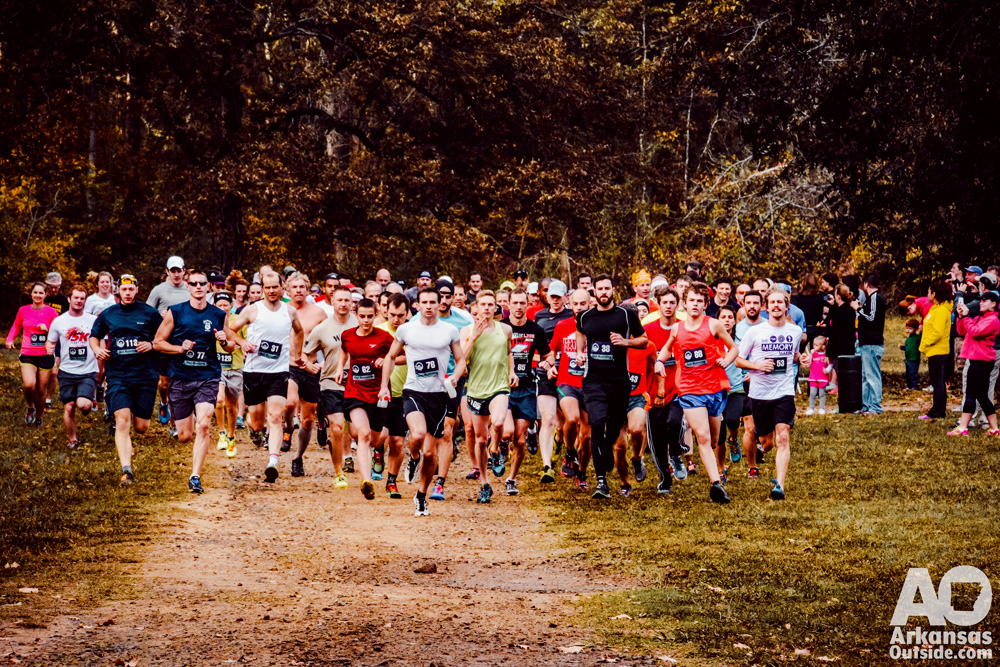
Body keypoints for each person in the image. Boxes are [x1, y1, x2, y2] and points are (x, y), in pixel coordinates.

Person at [378, 287, 468, 517]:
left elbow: (460, 361)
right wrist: (384, 387)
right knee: (417, 435)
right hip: (413, 391)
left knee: (432, 454)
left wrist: (455, 377)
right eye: (424, 302)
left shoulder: (449, 330)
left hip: (439, 395)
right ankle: (413, 458)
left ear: (440, 304)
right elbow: (389, 357)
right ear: (416, 305)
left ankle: (421, 495)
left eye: (433, 302)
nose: (428, 306)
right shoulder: (407, 330)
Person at [655, 282, 736, 504]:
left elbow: (733, 349)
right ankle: (716, 484)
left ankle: (712, 467)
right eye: (691, 300)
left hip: (714, 388)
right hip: (689, 390)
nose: (695, 304)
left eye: (699, 301)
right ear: (685, 302)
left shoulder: (714, 325)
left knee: (713, 440)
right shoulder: (676, 329)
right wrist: (659, 362)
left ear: (705, 304)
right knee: (702, 436)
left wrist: (725, 361)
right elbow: (667, 348)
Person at [153, 270, 232, 493]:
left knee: (205, 424)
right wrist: (180, 348)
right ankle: (178, 414)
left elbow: (231, 345)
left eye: (202, 283)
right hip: (181, 378)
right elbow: (158, 342)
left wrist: (224, 342)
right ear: (187, 287)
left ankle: (195, 476)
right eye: (194, 283)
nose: (198, 287)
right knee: (184, 436)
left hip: (208, 376)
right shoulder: (175, 312)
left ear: (209, 287)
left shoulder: (218, 314)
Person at [575, 275, 649, 499]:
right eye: (600, 289)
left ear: (613, 290)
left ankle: (606, 447)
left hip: (619, 381)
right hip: (594, 380)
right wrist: (580, 352)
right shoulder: (585, 316)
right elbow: (580, 331)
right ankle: (601, 482)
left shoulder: (626, 314)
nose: (604, 292)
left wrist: (626, 342)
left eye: (607, 288)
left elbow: (643, 339)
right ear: (594, 292)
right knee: (596, 423)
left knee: (615, 426)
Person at [229, 271, 305, 483]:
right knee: (257, 421)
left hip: (278, 372)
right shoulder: (253, 310)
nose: (272, 291)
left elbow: (299, 332)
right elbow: (230, 331)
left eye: (275, 287)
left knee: (275, 417)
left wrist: (297, 355)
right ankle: (255, 431)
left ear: (283, 288)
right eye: (267, 287)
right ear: (262, 289)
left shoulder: (289, 312)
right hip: (254, 372)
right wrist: (242, 343)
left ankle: (273, 462)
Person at [89, 274, 163, 485]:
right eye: (124, 289)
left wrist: (151, 344)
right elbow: (94, 335)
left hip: (145, 376)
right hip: (118, 375)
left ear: (137, 290)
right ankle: (127, 471)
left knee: (141, 427)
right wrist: (96, 350)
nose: (128, 293)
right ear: (118, 291)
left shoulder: (149, 313)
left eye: (131, 289)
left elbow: (164, 336)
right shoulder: (109, 314)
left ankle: (130, 441)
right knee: (122, 420)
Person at [736, 286, 807, 501]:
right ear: (766, 307)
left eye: (780, 302)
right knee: (767, 444)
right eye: (772, 302)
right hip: (759, 394)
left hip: (784, 391)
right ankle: (759, 447)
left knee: (783, 436)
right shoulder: (755, 332)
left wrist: (801, 359)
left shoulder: (794, 332)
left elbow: (793, 356)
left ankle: (780, 486)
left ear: (787, 307)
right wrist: (757, 366)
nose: (776, 306)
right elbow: (738, 359)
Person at [336, 298, 394, 499]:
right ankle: (366, 480)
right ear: (356, 314)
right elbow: (344, 351)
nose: (366, 321)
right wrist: (339, 369)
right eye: (362, 316)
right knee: (364, 434)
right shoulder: (347, 335)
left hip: (378, 393)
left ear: (376, 314)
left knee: (377, 438)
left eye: (370, 316)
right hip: (355, 392)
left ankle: (377, 452)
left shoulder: (385, 337)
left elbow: (401, 356)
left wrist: (386, 359)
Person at [461, 291, 516, 502]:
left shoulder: (506, 329)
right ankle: (485, 483)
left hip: (499, 387)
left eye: (490, 304)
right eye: (482, 304)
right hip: (476, 390)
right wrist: (473, 337)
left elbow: (508, 351)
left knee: (500, 420)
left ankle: (497, 449)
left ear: (495, 308)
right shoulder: (467, 330)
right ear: (476, 308)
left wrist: (512, 372)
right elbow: (461, 360)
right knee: (480, 438)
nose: (486, 308)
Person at [302, 284, 358, 487]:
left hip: (358, 383)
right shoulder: (322, 328)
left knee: (356, 431)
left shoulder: (361, 323)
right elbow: (306, 354)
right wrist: (310, 366)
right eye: (339, 300)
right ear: (332, 301)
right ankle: (339, 472)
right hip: (330, 383)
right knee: (336, 427)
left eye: (347, 300)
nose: (343, 304)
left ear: (352, 303)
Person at [503, 287, 555, 488]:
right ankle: (499, 448)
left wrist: (548, 363)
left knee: (521, 440)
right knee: (507, 432)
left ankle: (511, 479)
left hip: (526, 390)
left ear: (527, 304)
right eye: (514, 302)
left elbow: (548, 354)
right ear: (508, 304)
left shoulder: (536, 330)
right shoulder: (501, 327)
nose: (518, 307)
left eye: (521, 303)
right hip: (503, 389)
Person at [282, 273, 329, 476]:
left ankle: (298, 458)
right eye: (295, 287)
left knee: (308, 420)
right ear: (288, 290)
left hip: (310, 366)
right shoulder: (281, 311)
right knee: (290, 403)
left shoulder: (318, 313)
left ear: (308, 289)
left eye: (302, 287)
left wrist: (327, 363)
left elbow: (330, 340)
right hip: (287, 365)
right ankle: (287, 426)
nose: (299, 290)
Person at [432, 278, 473, 500]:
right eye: (442, 296)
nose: (445, 301)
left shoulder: (464, 320)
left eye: (449, 296)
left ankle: (440, 481)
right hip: (427, 382)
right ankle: (425, 459)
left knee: (448, 428)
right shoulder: (420, 319)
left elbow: (470, 349)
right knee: (430, 433)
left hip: (454, 380)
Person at [46, 285, 98, 449]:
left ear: (85, 300)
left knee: (82, 404)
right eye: (76, 297)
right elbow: (51, 341)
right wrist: (49, 348)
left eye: (82, 298)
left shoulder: (93, 320)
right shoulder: (59, 321)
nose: (79, 301)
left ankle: (87, 403)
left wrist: (100, 351)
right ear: (69, 299)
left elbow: (100, 340)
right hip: (67, 370)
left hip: (88, 370)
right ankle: (73, 440)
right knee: (69, 406)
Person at [550, 289, 592, 487]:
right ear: (570, 304)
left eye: (583, 304)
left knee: (588, 436)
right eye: (576, 304)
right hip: (567, 382)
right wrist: (549, 364)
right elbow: (552, 351)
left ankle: (582, 473)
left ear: (590, 304)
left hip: (591, 384)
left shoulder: (597, 326)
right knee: (572, 418)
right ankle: (569, 452)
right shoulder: (562, 325)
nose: (579, 307)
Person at [645, 286, 684, 494]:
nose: (668, 307)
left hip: (679, 389)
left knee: (674, 421)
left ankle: (676, 453)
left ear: (677, 305)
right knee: (657, 438)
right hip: (654, 392)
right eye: (664, 303)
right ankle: (664, 479)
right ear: (657, 305)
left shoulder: (684, 328)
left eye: (672, 303)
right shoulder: (649, 330)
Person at [613, 317, 657, 498]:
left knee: (637, 429)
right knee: (619, 447)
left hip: (636, 396)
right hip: (614, 398)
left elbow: (657, 364)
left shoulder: (647, 345)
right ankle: (625, 483)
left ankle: (637, 457)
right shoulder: (610, 342)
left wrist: (659, 388)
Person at [147, 256, 190, 433]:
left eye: (179, 270)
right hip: (164, 341)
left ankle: (174, 423)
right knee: (164, 384)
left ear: (184, 271)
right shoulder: (158, 290)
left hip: (184, 342)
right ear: (167, 272)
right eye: (173, 271)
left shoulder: (190, 289)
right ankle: (163, 402)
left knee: (178, 384)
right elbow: (147, 314)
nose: (176, 274)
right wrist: (160, 315)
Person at [375, 293, 412, 498]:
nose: (396, 320)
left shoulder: (413, 332)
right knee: (379, 437)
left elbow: (413, 356)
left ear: (407, 313)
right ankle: (378, 451)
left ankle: (391, 481)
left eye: (400, 315)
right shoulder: (377, 331)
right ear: (385, 311)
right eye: (392, 315)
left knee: (397, 442)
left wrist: (389, 359)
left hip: (403, 393)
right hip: (379, 393)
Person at [948, 291, 1000, 436]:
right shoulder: (979, 318)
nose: (981, 303)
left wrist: (965, 316)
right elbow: (962, 330)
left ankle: (963, 427)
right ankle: (994, 429)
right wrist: (960, 317)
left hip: (982, 360)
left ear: (994, 304)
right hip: (976, 359)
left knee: (971, 393)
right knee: (981, 396)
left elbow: (976, 332)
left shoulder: (993, 320)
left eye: (984, 300)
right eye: (980, 300)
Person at [6, 282, 58, 425]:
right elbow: (16, 326)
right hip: (28, 352)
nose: (37, 295)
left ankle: (39, 417)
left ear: (45, 295)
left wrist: (47, 329)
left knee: (41, 390)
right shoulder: (23, 310)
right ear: (31, 293)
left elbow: (58, 332)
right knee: (29, 384)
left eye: (41, 293)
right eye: (35, 292)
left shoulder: (51, 312)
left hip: (45, 354)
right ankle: (30, 407)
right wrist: (10, 339)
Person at [212, 291, 244, 458]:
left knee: (232, 406)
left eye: (226, 305)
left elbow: (245, 340)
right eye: (219, 305)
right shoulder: (210, 320)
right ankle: (221, 433)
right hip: (217, 367)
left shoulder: (238, 321)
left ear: (231, 305)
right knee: (219, 400)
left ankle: (231, 437)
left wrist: (238, 345)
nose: (223, 308)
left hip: (235, 366)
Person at [918, 282, 953, 420]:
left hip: (937, 351)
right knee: (938, 382)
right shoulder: (935, 308)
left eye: (929, 292)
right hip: (934, 351)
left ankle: (937, 412)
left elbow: (937, 332)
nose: (927, 295)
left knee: (937, 383)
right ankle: (938, 410)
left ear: (934, 294)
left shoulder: (941, 310)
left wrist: (924, 344)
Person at [715, 304, 744, 470]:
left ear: (734, 321)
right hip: (716, 390)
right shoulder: (711, 339)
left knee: (733, 420)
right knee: (719, 433)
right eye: (723, 317)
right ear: (717, 320)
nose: (726, 320)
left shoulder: (740, 339)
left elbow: (749, 356)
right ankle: (721, 469)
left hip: (736, 388)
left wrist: (749, 371)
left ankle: (733, 440)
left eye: (729, 317)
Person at [853, 274, 886, 414]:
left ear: (866, 284)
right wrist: (862, 309)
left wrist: (858, 309)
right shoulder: (872, 299)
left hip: (872, 343)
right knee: (865, 377)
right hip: (867, 343)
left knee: (872, 376)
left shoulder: (875, 298)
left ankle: (875, 407)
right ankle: (866, 405)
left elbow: (872, 318)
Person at [825, 284, 858, 391]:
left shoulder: (839, 312)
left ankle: (842, 394)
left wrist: (829, 351)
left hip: (839, 347)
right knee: (845, 372)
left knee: (841, 371)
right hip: (848, 346)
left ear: (838, 296)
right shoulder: (850, 310)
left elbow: (835, 332)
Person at [793, 273, 827, 344]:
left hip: (804, 327)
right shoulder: (823, 296)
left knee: (800, 351)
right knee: (818, 350)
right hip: (818, 326)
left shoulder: (798, 297)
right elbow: (828, 306)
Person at [806, 336, 832, 415]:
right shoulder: (813, 354)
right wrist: (810, 355)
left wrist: (827, 370)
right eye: (814, 345)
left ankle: (821, 408)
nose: (814, 347)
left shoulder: (826, 355)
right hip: (813, 377)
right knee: (812, 394)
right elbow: (808, 363)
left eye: (817, 345)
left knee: (822, 394)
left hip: (822, 378)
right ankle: (811, 408)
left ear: (823, 346)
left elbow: (830, 365)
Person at [900, 319, 922, 391]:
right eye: (907, 328)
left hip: (914, 359)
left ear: (915, 329)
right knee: (908, 373)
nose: (908, 330)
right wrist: (902, 347)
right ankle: (909, 386)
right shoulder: (908, 338)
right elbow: (908, 347)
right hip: (908, 359)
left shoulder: (917, 337)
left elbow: (921, 338)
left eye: (910, 329)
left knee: (913, 373)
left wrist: (921, 331)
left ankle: (915, 385)